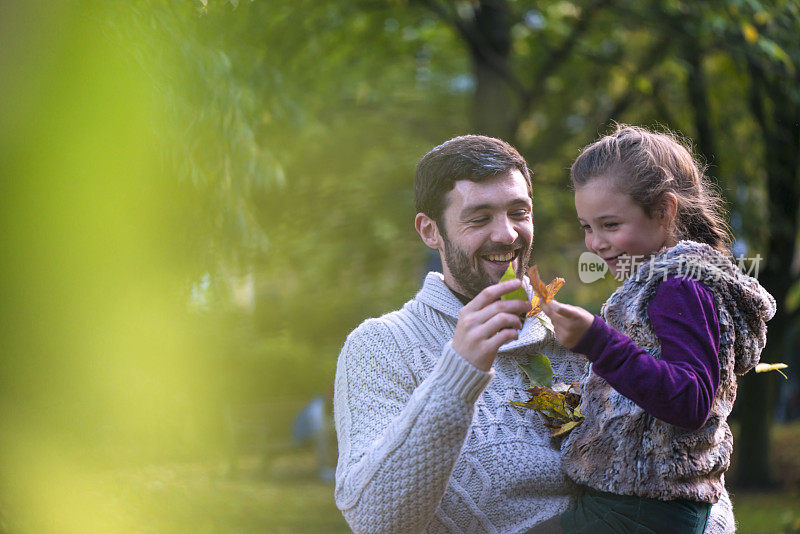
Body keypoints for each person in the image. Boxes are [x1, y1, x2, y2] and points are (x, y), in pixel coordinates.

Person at [333, 134, 735, 533]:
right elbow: (375, 521)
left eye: (518, 212)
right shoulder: (381, 347)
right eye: (479, 218)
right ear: (430, 231)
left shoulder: (583, 339)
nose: (507, 234)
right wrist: (457, 373)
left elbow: (681, 468)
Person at [536, 125, 775, 533]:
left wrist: (597, 340)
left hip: (644, 512)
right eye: (587, 227)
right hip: (637, 506)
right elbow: (645, 395)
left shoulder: (679, 288)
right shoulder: (661, 283)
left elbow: (689, 401)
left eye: (610, 225)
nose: (595, 243)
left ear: (664, 210)